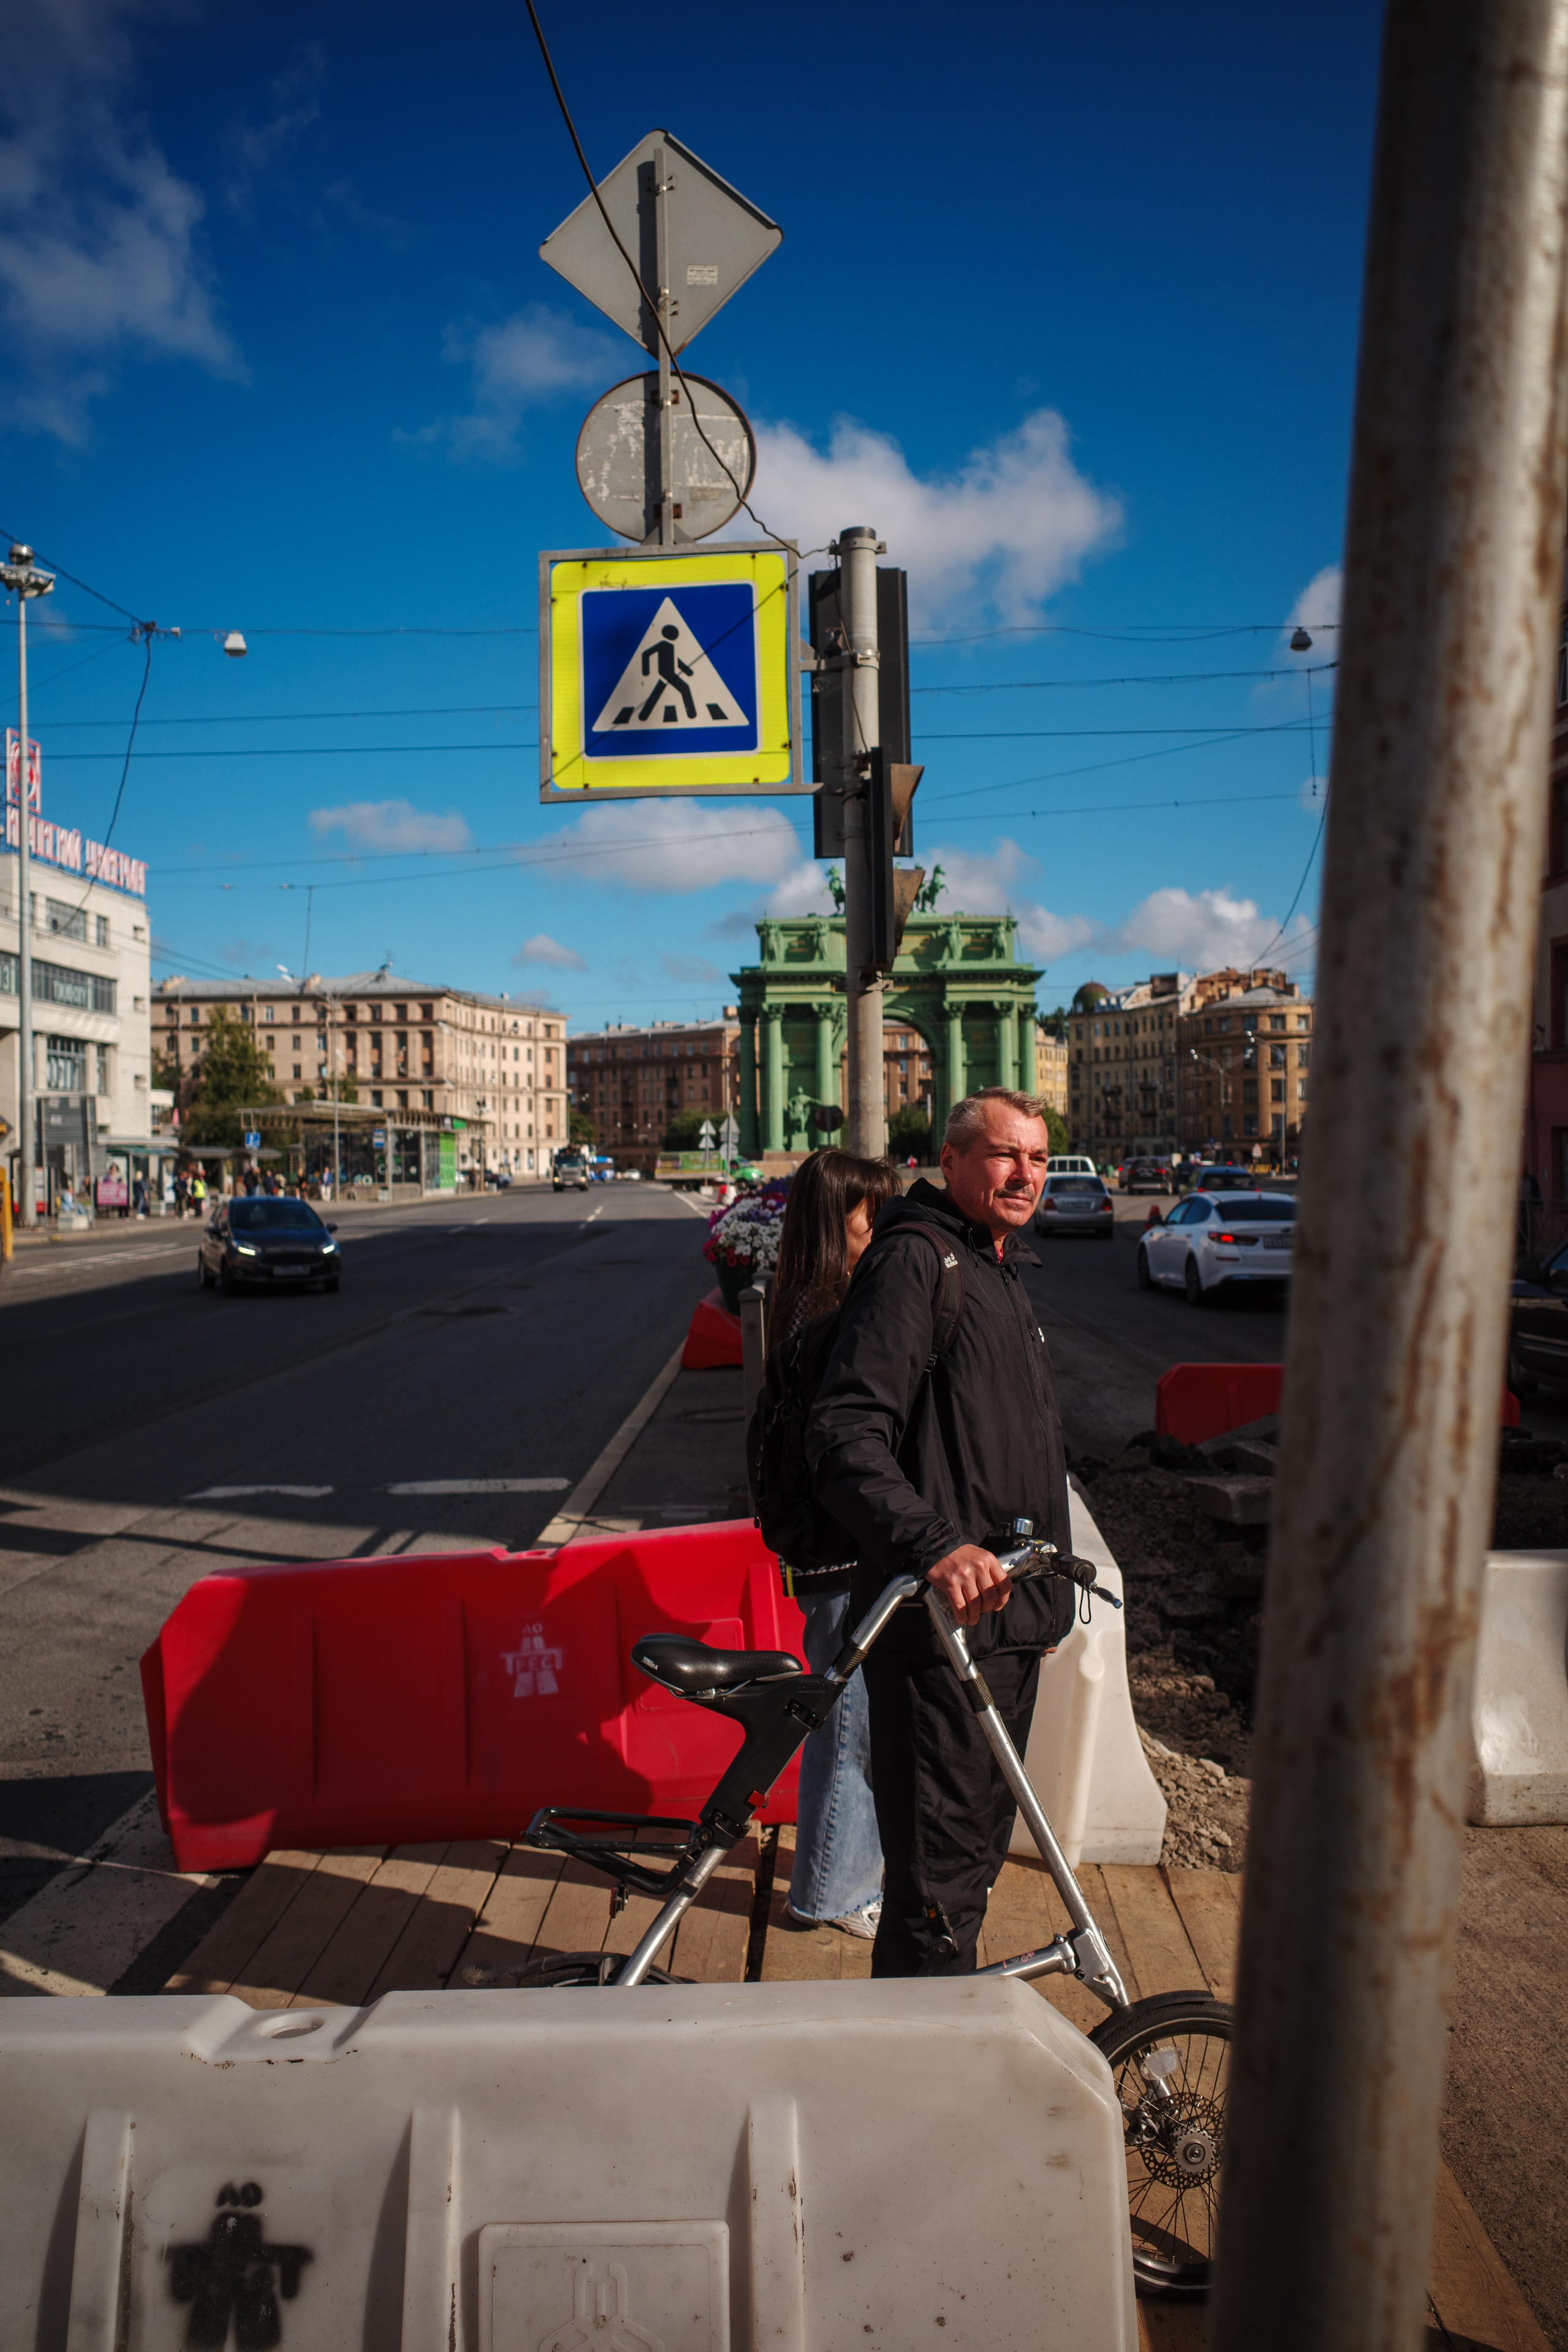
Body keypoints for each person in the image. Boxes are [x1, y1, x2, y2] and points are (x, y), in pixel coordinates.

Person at [806, 1088, 1074, 1977]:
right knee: (935, 1895)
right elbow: (845, 1435)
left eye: (1038, 1158)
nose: (1025, 1174)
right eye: (1005, 1155)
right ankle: (917, 2084)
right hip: (942, 1635)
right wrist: (935, 1546)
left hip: (1005, 1625)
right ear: (951, 1160)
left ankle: (934, 2050)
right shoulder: (920, 1262)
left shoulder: (995, 1264)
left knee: (965, 1876)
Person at [768, 1148, 902, 1939]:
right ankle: (831, 1893)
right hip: (841, 1552)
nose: (881, 1229)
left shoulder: (803, 1302)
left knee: (845, 1721)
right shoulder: (831, 1320)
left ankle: (836, 1880)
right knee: (851, 1728)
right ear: (837, 1223)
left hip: (824, 1552)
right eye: (870, 1215)